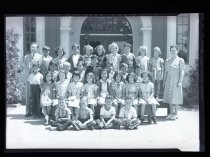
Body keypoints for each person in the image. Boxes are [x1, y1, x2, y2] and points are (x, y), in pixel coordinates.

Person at [163, 45, 185, 120]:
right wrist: (164, 81)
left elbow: (182, 71)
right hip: (169, 80)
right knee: (169, 96)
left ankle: (176, 114)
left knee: (175, 96)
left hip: (176, 80)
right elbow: (166, 72)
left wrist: (180, 81)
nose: (173, 52)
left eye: (174, 50)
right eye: (171, 50)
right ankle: (171, 113)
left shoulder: (180, 60)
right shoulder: (168, 60)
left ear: (177, 51)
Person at [21, 42, 42, 117]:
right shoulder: (26, 57)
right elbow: (25, 68)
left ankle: (36, 112)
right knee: (28, 95)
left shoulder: (40, 57)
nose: (32, 49)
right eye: (31, 47)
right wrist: (25, 78)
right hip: (28, 78)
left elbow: (40, 68)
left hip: (36, 79)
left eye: (34, 47)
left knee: (36, 95)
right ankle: (28, 111)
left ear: (37, 49)